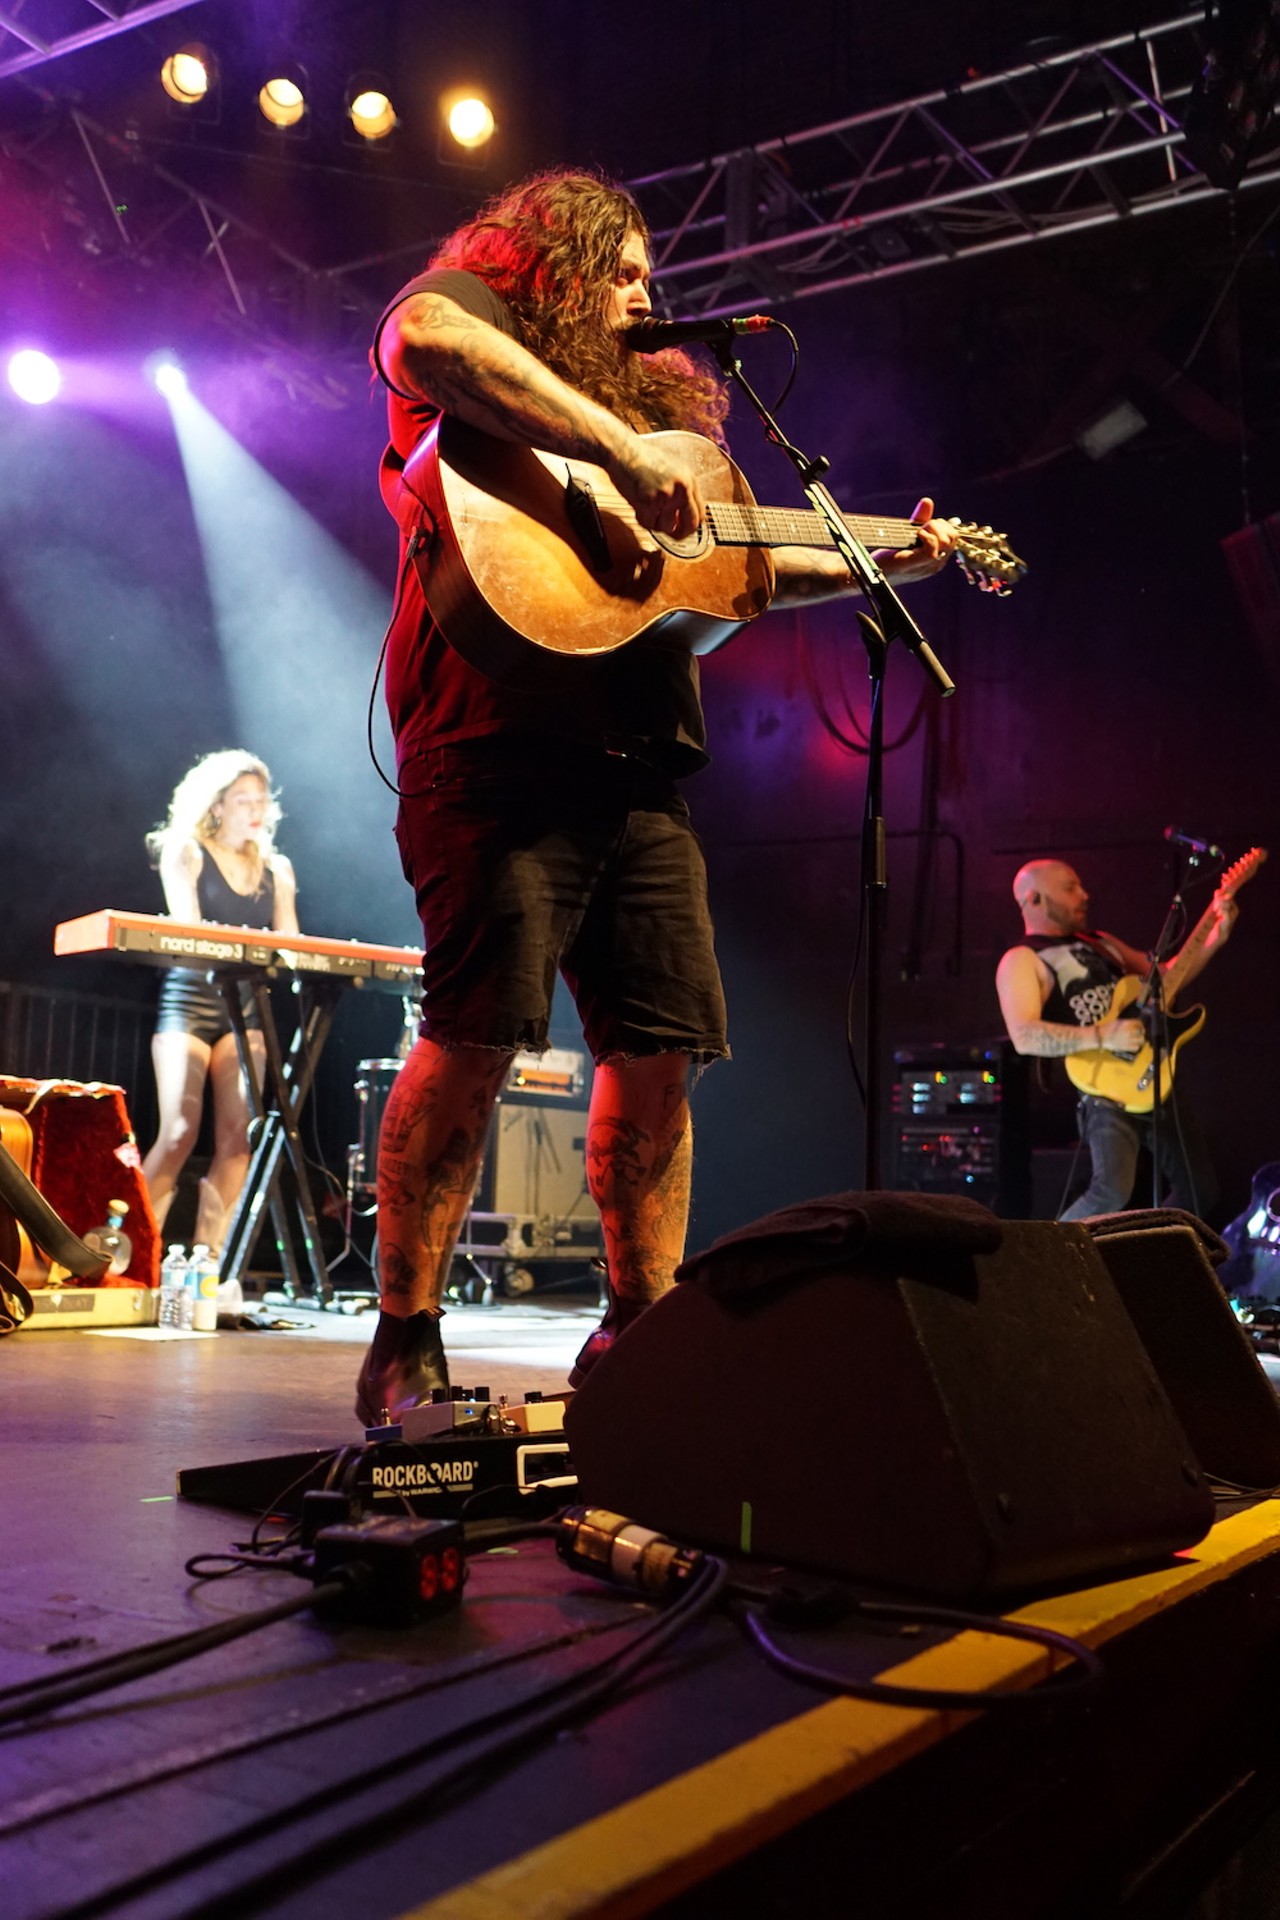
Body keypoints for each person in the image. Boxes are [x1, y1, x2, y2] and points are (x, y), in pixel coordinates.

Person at [355, 167, 958, 1425]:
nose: (646, 291)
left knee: (661, 1049)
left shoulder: (674, 409)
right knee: (472, 1034)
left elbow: (728, 575)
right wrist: (620, 451)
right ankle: (405, 1335)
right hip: (491, 748)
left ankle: (638, 1336)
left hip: (638, 765)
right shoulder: (479, 312)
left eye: (649, 273)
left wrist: (879, 556)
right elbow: (420, 339)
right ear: (553, 261)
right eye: (621, 268)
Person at [995, 858, 1235, 1223]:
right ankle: (1048, 1258)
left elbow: (1166, 977)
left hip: (1155, 1074)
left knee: (1201, 1190)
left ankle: (1154, 1260)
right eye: (1070, 887)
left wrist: (1215, 937)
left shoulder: (1102, 943)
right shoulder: (1022, 959)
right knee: (1111, 1191)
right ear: (1035, 899)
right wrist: (1102, 1035)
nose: (1085, 894)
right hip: (1102, 1088)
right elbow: (1025, 1036)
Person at [141, 751, 299, 1253]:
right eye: (242, 801)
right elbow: (188, 933)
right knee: (180, 1130)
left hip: (245, 1006)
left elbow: (290, 943)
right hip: (191, 999)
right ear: (216, 806)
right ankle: (129, 1253)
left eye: (260, 800)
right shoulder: (186, 850)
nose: (255, 810)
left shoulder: (276, 868)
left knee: (239, 1137)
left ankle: (210, 1263)